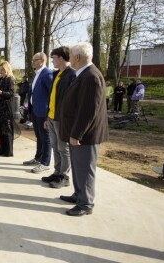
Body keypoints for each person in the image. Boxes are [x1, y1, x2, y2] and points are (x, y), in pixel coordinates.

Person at [59, 42, 109, 216]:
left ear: (78, 57)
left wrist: (76, 134)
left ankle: (86, 204)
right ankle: (79, 195)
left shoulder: (91, 76)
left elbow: (88, 110)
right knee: (78, 167)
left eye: (71, 55)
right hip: (79, 133)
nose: (69, 58)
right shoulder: (84, 74)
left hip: (85, 135)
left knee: (85, 169)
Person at [41, 46, 75, 188]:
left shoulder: (71, 75)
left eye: (53, 58)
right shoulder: (56, 74)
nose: (52, 61)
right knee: (55, 146)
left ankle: (64, 176)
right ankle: (57, 172)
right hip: (51, 116)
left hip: (62, 119)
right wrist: (46, 117)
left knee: (63, 148)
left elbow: (71, 100)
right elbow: (52, 97)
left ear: (61, 58)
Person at [24, 52, 53, 174]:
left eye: (35, 60)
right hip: (35, 110)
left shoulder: (47, 74)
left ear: (42, 60)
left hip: (43, 111)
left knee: (46, 138)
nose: (33, 62)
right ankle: (38, 158)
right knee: (39, 136)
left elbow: (52, 94)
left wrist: (48, 114)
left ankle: (45, 163)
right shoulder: (37, 74)